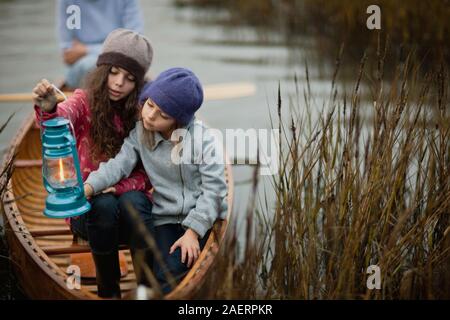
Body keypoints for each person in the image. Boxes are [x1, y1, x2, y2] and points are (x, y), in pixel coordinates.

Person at [32, 28, 154, 299]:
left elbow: (149, 174)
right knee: (103, 203)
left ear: (139, 84)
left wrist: (118, 187)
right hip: (87, 214)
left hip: (131, 215)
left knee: (133, 200)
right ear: (103, 70)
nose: (119, 82)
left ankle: (147, 290)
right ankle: (108, 292)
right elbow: (60, 120)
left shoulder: (143, 113)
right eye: (114, 72)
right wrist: (50, 108)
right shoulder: (84, 102)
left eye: (130, 78)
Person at [84, 67, 228, 294]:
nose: (150, 116)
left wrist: (193, 232)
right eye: (149, 105)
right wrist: (90, 186)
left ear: (178, 121)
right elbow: (118, 165)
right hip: (165, 220)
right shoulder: (142, 133)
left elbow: (215, 192)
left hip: (201, 219)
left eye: (163, 114)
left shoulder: (204, 142)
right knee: (158, 273)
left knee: (168, 279)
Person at [57, 0, 143, 89]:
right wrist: (116, 49)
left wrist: (86, 50)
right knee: (88, 65)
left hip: (120, 62)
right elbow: (68, 55)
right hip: (81, 70)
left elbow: (134, 44)